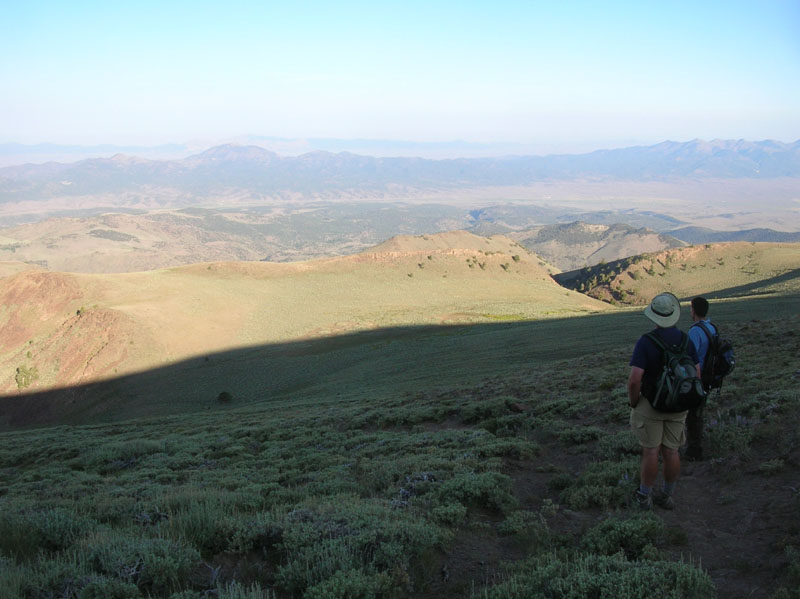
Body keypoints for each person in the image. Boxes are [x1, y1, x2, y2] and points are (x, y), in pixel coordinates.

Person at [627, 292, 700, 510]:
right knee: (672, 451)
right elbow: (696, 372)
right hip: (678, 406)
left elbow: (634, 380)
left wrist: (634, 402)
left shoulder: (646, 342)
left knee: (651, 451)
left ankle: (644, 496)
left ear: (654, 317)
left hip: (651, 405)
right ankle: (667, 495)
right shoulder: (686, 340)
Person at [685, 296, 715, 461]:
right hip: (709, 376)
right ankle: (696, 445)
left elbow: (689, 357)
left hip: (698, 377)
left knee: (693, 415)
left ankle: (694, 450)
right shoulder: (711, 327)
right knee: (698, 412)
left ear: (694, 310)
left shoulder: (695, 331)